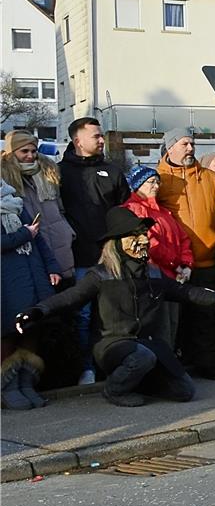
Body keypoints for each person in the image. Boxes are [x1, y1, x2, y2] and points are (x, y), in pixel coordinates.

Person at [15, 207, 215, 406]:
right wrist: (37, 311)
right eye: (134, 235)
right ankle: (115, 390)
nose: (143, 240)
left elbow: (187, 292)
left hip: (148, 345)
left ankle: (139, 381)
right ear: (118, 242)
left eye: (143, 234)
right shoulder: (101, 275)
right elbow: (70, 298)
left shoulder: (154, 274)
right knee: (142, 358)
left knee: (184, 391)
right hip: (112, 345)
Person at [155, 127, 215, 380]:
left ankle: (206, 363)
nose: (190, 148)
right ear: (170, 147)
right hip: (173, 263)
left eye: (192, 143)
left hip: (207, 257)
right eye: (184, 144)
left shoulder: (209, 177)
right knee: (177, 316)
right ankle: (178, 362)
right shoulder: (159, 178)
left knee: (206, 314)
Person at [58, 117, 130, 385]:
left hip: (111, 258)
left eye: (101, 136)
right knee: (83, 316)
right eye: (96, 136)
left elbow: (125, 211)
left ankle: (112, 366)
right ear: (78, 141)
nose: (102, 140)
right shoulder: (60, 173)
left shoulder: (112, 171)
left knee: (113, 315)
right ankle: (85, 369)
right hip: (79, 258)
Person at [1, 179, 60, 410]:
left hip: (31, 273)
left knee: (32, 328)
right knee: (7, 331)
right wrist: (24, 235)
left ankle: (27, 382)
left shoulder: (13, 200)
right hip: (5, 280)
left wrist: (52, 266)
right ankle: (7, 386)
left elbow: (39, 239)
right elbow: (27, 235)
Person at [122, 165, 194, 347]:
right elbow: (149, 243)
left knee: (172, 324)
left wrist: (186, 265)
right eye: (150, 182)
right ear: (138, 185)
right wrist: (176, 265)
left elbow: (183, 238)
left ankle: (171, 365)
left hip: (174, 275)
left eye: (157, 182)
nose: (156, 186)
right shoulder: (134, 209)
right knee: (160, 327)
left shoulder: (163, 212)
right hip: (153, 276)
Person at [2, 131, 75, 283]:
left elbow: (60, 209)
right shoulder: (5, 180)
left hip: (60, 242)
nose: (30, 155)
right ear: (11, 152)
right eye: (24, 151)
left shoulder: (48, 173)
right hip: (30, 245)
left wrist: (67, 231)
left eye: (34, 151)